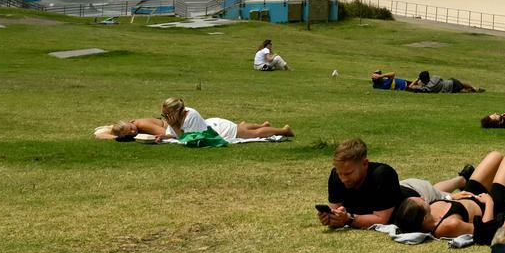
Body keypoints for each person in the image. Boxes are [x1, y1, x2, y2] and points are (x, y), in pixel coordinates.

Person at [389, 151, 505, 245]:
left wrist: (451, 197)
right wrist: (489, 203)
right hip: (491, 205)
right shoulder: (448, 225)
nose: (422, 197)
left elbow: (441, 198)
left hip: (471, 195)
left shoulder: (428, 213)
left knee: (495, 156)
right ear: (424, 218)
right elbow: (484, 233)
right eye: (421, 201)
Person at [320, 138, 405, 230]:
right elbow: (336, 212)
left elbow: (382, 220)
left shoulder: (383, 174)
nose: (343, 179)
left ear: (364, 164)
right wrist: (332, 218)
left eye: (348, 173)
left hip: (414, 190)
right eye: (340, 173)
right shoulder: (335, 176)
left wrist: (349, 219)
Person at [158, 97, 293, 143]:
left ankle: (283, 130)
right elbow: (176, 135)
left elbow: (188, 139)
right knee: (242, 128)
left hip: (219, 130)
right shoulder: (175, 120)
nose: (166, 118)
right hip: (212, 124)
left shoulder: (191, 115)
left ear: (176, 111)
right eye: (164, 116)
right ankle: (261, 125)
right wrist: (164, 137)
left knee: (253, 134)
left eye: (167, 115)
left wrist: (174, 127)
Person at [411, 70, 483, 93]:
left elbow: (410, 87)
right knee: (462, 85)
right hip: (451, 82)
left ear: (422, 80)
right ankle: (475, 88)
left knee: (462, 90)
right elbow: (441, 79)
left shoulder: (427, 88)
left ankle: (473, 91)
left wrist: (417, 80)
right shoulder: (435, 77)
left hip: (450, 89)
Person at [93, 117, 165, 140]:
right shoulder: (125, 127)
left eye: (131, 128)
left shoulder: (142, 125)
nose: (133, 131)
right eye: (129, 133)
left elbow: (167, 133)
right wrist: (119, 138)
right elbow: (99, 135)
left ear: (130, 122)